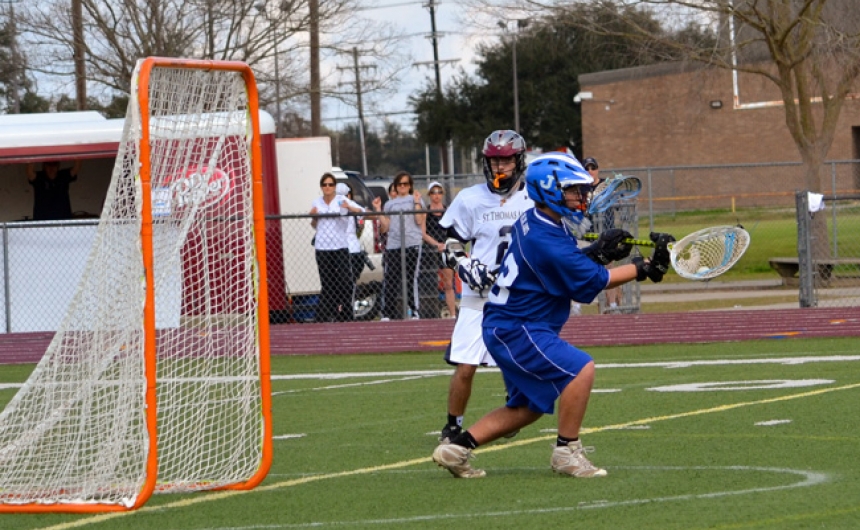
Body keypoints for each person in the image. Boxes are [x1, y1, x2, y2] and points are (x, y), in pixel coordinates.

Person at [431, 151, 673, 478]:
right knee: (581, 369)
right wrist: (644, 268)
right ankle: (566, 451)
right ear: (548, 190)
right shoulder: (546, 235)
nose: (582, 196)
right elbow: (590, 281)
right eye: (574, 190)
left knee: (527, 408)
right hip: (519, 326)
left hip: (508, 323)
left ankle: (457, 448)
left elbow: (559, 267)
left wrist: (596, 252)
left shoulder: (536, 220)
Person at [437, 130, 534, 443]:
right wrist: (464, 264)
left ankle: (512, 411)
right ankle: (453, 425)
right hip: (478, 297)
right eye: (494, 161)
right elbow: (450, 242)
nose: (499, 167)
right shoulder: (470, 198)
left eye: (505, 160)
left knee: (515, 361)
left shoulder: (533, 197)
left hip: (516, 296)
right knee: (466, 366)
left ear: (518, 160)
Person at [310, 173, 363, 322]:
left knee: (345, 281)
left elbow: (362, 211)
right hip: (322, 247)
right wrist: (313, 216)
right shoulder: (317, 202)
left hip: (340, 246)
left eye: (330, 185)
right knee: (327, 283)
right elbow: (314, 225)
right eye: (325, 185)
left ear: (334, 187)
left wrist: (349, 207)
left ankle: (346, 314)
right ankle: (327, 315)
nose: (328, 187)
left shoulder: (341, 199)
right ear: (321, 187)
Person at [374, 171, 426, 320]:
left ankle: (414, 310)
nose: (403, 187)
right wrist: (378, 210)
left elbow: (418, 220)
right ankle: (387, 312)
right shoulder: (390, 204)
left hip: (412, 243)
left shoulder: (415, 200)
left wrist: (416, 202)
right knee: (391, 278)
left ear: (410, 185)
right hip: (394, 244)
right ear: (395, 186)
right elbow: (386, 226)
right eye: (400, 184)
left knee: (411, 278)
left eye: (406, 184)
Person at [584, 156, 622, 313]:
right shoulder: (580, 188)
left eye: (593, 168)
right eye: (587, 168)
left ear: (597, 169)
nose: (590, 171)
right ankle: (577, 306)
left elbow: (620, 206)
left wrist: (618, 194)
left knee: (609, 271)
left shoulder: (606, 186)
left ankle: (612, 304)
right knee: (583, 270)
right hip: (587, 235)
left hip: (606, 235)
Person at [421, 181, 457, 319]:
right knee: (429, 283)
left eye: (439, 192)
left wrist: (446, 245)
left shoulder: (448, 210)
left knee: (449, 284)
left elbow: (454, 230)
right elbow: (423, 233)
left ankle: (452, 314)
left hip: (446, 249)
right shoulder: (426, 212)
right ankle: (429, 314)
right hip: (430, 250)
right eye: (433, 192)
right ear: (429, 195)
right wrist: (436, 244)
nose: (436, 195)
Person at [337, 182, 367, 288]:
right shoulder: (337, 203)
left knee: (347, 283)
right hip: (344, 249)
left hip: (350, 249)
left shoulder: (349, 204)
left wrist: (349, 206)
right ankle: (345, 302)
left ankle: (346, 302)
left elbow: (362, 213)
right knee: (345, 283)